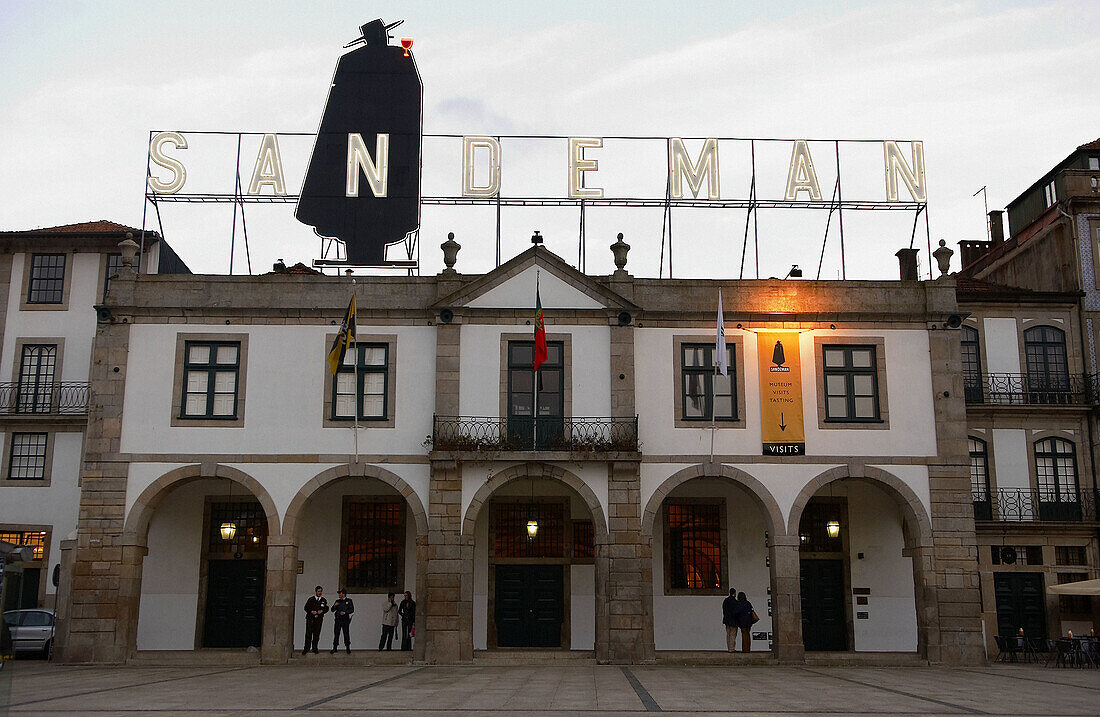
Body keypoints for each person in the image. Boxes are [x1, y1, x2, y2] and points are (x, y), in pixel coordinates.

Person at [302, 585, 328, 655]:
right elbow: (306, 608)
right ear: (316, 592)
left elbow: (326, 608)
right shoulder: (311, 599)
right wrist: (311, 611)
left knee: (316, 634)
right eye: (318, 591)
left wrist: (322, 611)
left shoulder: (323, 600)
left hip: (318, 620)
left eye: (321, 591)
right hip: (310, 619)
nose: (320, 593)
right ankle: (306, 648)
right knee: (308, 634)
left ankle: (315, 648)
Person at [330, 588, 355, 654]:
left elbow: (352, 609)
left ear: (343, 594)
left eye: (340, 593)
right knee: (336, 633)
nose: (339, 594)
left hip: (345, 620)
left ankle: (347, 647)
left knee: (346, 633)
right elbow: (332, 610)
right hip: (338, 620)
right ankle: (335, 647)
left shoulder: (349, 601)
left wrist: (345, 612)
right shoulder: (337, 601)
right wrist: (334, 606)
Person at [721, 587, 740, 652]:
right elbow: (737, 612)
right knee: (733, 635)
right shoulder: (735, 602)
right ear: (734, 593)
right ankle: (732, 648)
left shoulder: (725, 600)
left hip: (727, 620)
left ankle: (729, 647)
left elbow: (724, 609)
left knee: (728, 634)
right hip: (733, 620)